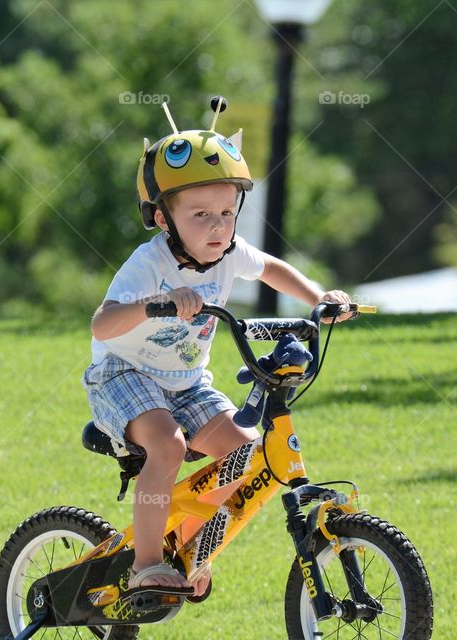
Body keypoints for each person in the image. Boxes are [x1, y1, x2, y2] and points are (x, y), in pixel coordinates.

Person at [81, 98, 352, 597]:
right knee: (168, 445)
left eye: (227, 212)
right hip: (123, 374)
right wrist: (155, 304)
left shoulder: (229, 254)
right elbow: (102, 325)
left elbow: (271, 269)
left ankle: (190, 548)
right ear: (163, 218)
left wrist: (319, 298)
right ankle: (146, 564)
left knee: (247, 453)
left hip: (186, 384)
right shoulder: (149, 264)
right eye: (201, 214)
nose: (218, 226)